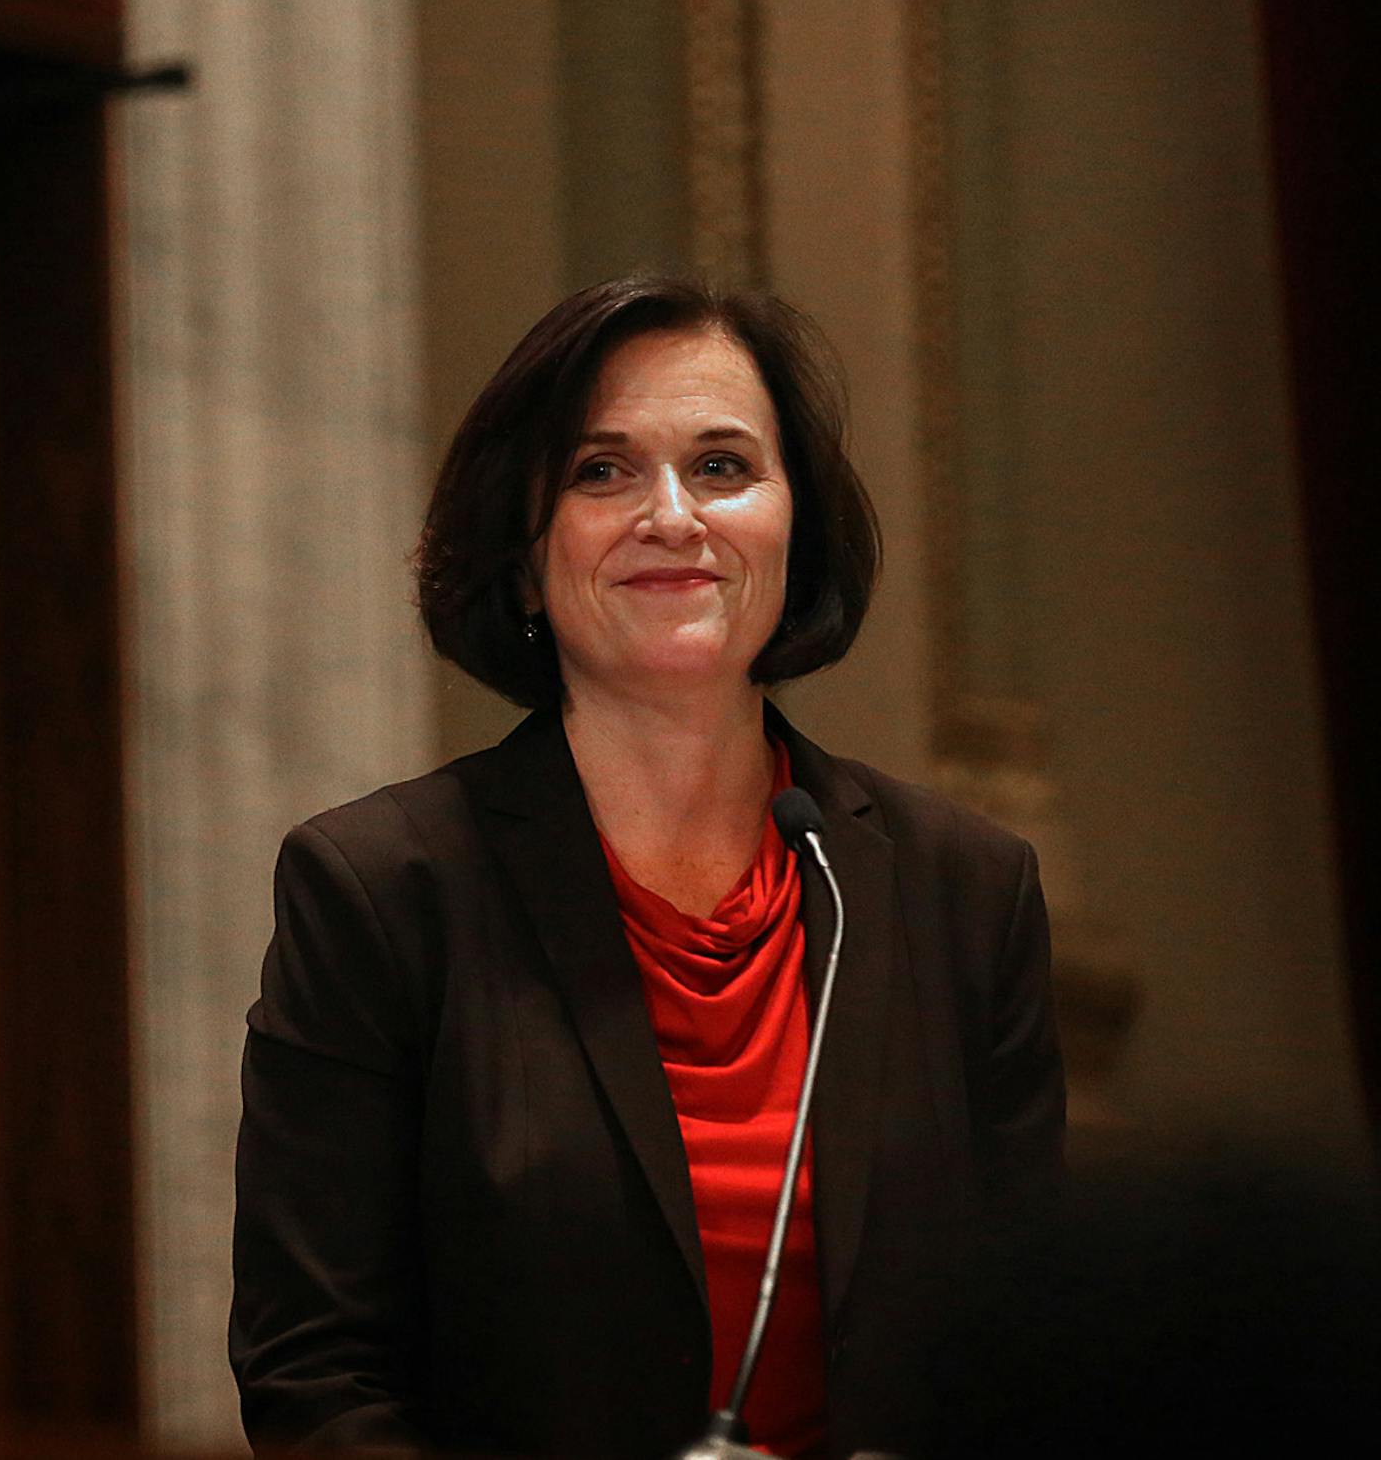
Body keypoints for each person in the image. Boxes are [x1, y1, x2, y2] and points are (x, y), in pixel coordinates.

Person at [229, 276, 1065, 1458]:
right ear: (523, 561)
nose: (672, 515)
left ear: (797, 527)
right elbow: (316, 1377)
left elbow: (1033, 1353)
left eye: (722, 467)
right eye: (600, 472)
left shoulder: (964, 891)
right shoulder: (379, 891)